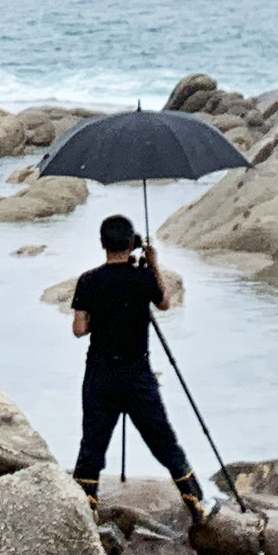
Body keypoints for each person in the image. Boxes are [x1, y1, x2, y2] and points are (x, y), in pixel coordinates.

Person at [67, 213, 205, 505]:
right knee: (162, 438)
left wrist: (100, 320)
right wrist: (153, 264)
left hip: (100, 373)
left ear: (102, 243)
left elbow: (79, 329)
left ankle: (85, 503)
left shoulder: (88, 281)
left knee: (93, 441)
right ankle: (195, 499)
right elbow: (165, 303)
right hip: (136, 374)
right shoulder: (142, 277)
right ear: (132, 244)